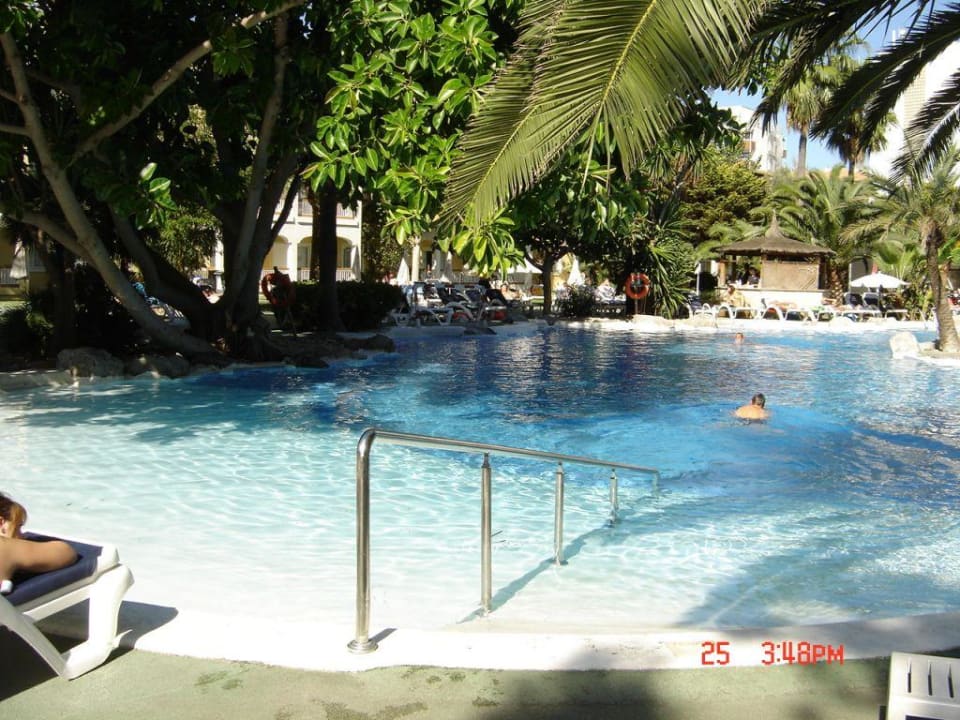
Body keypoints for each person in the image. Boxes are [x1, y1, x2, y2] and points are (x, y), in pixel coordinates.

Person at [0, 493, 77, 595]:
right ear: (1, 523)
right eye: (18, 527)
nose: (23, 537)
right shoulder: (5, 546)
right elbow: (66, 552)